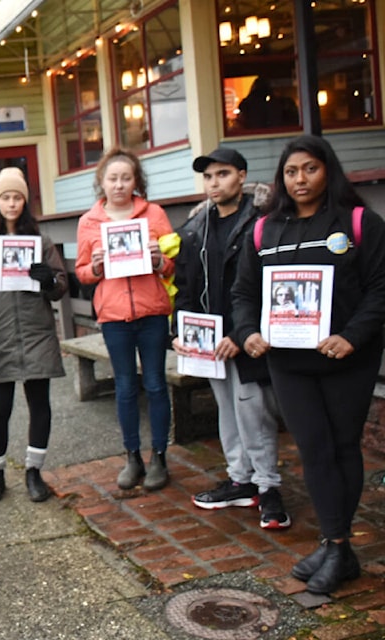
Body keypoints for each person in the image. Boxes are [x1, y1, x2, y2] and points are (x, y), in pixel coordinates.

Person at [232, 134, 385, 594]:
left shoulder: (360, 222)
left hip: (346, 360)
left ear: (328, 170)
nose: (300, 179)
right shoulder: (264, 230)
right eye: (291, 171)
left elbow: (381, 289)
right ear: (281, 178)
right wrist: (247, 333)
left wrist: (351, 337)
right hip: (288, 361)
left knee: (342, 446)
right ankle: (336, 544)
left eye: (310, 169)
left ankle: (336, 545)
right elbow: (242, 293)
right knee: (313, 449)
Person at [173, 147, 289, 530]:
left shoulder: (261, 222)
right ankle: (241, 479)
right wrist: (180, 331)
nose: (213, 183)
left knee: (253, 411)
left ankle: (269, 487)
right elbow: (185, 286)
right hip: (208, 343)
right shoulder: (195, 228)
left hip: (246, 339)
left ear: (241, 175)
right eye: (207, 177)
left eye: (221, 174)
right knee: (226, 409)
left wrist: (244, 333)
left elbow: (269, 284)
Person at [0, 166, 67, 503]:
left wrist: (48, 279)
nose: (11, 203)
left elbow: (61, 286)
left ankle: (34, 471)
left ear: (25, 201)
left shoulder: (41, 241)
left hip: (36, 335)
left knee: (40, 405)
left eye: (17, 197)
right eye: (5, 197)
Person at [75, 148, 175, 491]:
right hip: (115, 315)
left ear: (136, 181)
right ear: (101, 182)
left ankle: (159, 455)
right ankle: (132, 456)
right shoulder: (89, 222)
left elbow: (173, 264)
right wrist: (96, 266)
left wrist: (160, 260)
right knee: (124, 386)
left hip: (152, 311)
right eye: (112, 178)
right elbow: (83, 274)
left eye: (126, 177)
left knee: (156, 384)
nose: (119, 184)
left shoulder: (155, 214)